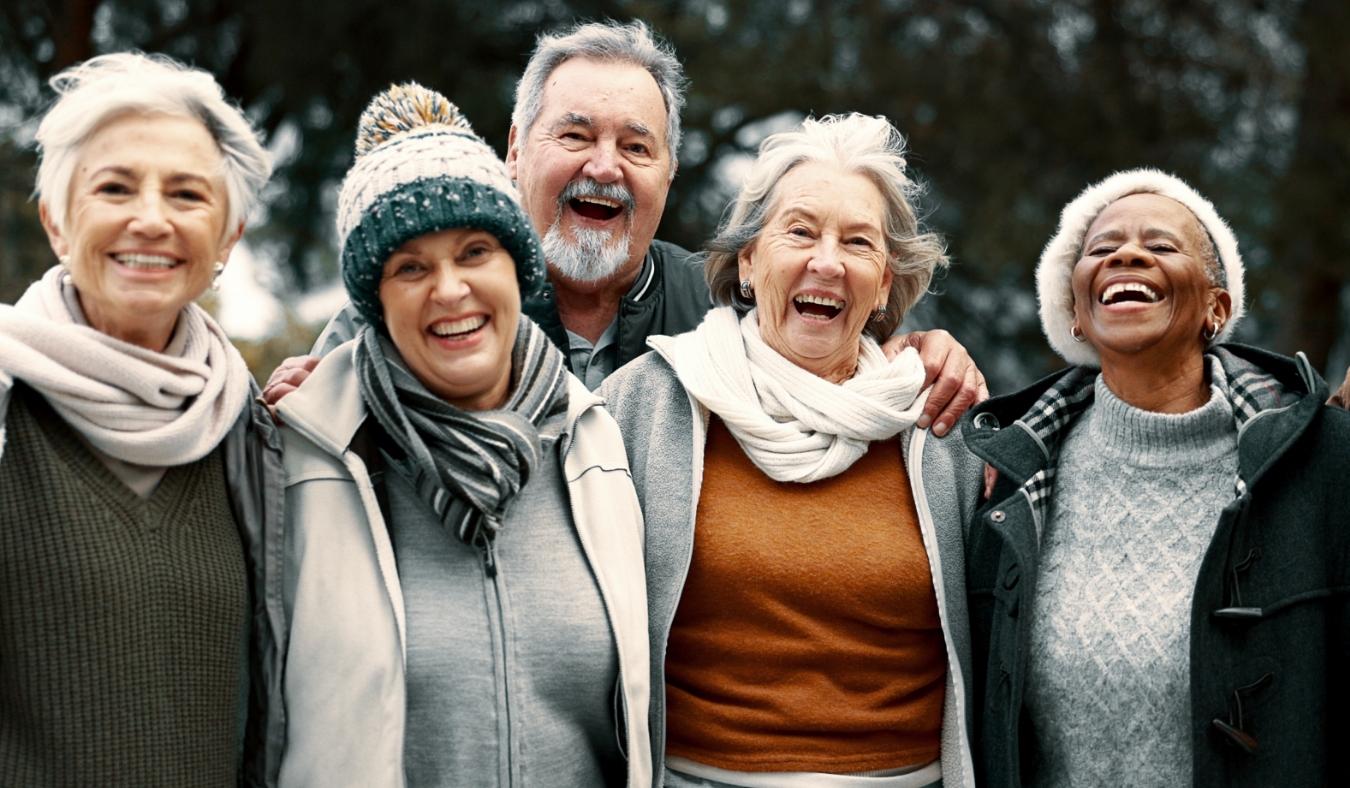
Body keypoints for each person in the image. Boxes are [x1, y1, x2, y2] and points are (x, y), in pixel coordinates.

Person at [266, 20, 985, 435]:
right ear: (515, 149)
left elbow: (832, 370)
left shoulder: (726, 313)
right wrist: (300, 409)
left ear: (668, 173)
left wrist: (918, 351)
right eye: (575, 135)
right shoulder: (426, 305)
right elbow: (314, 424)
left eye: (637, 147)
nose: (605, 168)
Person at [273, 84, 650, 788]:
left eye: (475, 251)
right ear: (375, 304)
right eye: (411, 267)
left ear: (518, 268)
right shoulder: (304, 456)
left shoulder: (596, 443)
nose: (449, 291)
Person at [602, 113, 985, 788]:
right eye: (800, 231)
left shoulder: (940, 420)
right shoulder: (646, 402)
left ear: (887, 282)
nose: (827, 262)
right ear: (748, 261)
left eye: (858, 242)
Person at [961, 169, 1350, 788]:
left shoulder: (1321, 463)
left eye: (1162, 245)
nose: (1128, 253)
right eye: (1101, 247)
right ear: (1077, 317)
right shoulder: (1009, 480)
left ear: (1217, 309)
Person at [0, 53, 285, 786]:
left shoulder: (259, 441)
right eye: (115, 187)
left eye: (187, 195)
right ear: (58, 223)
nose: (150, 219)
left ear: (227, 239)